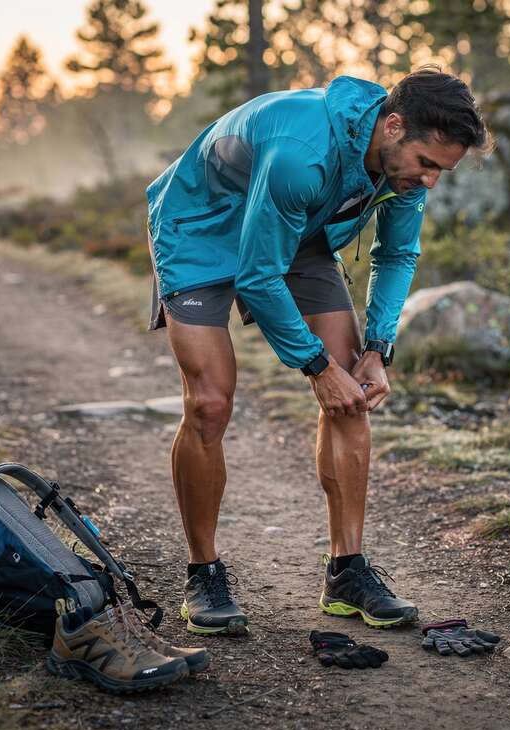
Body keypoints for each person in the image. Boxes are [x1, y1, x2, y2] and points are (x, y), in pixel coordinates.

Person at [144, 68, 490, 634]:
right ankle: (202, 573)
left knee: (352, 392)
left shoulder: (401, 170)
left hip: (298, 229)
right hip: (199, 227)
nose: (430, 181)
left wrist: (377, 349)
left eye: (441, 172)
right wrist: (315, 365)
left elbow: (397, 256)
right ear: (394, 125)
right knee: (209, 402)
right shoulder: (300, 153)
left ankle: (346, 571)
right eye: (427, 164)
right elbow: (259, 277)